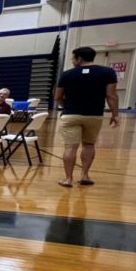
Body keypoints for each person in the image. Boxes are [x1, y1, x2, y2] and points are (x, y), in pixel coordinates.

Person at [55, 46, 119, 187]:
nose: (72, 61)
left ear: (79, 59)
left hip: (71, 114)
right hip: (94, 115)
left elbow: (58, 96)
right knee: (89, 144)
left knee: (70, 147)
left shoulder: (67, 74)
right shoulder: (107, 72)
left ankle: (68, 179)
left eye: (73, 58)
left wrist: (66, 105)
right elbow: (111, 95)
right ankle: (84, 175)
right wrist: (115, 114)